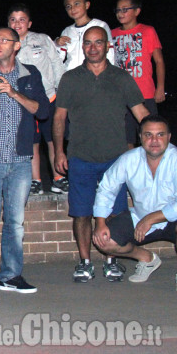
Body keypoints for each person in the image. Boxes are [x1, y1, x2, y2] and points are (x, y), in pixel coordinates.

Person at [53, 26, 149, 283]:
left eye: (98, 43)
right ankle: (84, 262)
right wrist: (59, 151)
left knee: (114, 213)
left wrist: (155, 146)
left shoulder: (121, 78)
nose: (93, 48)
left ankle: (111, 260)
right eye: (88, 43)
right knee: (82, 212)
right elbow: (59, 117)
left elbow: (142, 115)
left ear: (107, 46)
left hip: (115, 160)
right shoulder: (71, 78)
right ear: (82, 47)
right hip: (80, 157)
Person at [0, 27, 49, 305]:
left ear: (17, 46)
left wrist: (14, 92)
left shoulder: (30, 75)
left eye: (4, 40)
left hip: (20, 161)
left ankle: (11, 275)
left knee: (16, 223)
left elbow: (42, 111)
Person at [93, 115, 177, 283]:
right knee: (104, 241)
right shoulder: (129, 159)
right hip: (139, 216)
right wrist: (100, 222)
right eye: (148, 135)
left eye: (160, 135)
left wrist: (152, 218)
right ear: (140, 137)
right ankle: (147, 259)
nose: (154, 140)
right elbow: (106, 188)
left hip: (171, 219)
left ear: (169, 137)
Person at [7, 5, 67, 195]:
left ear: (29, 23)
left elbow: (56, 63)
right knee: (31, 141)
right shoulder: (5, 42)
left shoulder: (41, 39)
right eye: (13, 20)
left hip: (49, 97)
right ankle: (35, 180)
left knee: (53, 139)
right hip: (24, 102)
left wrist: (62, 89)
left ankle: (59, 178)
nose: (18, 23)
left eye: (22, 19)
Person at [111, 0, 165, 145]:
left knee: (149, 135)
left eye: (125, 9)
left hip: (145, 93)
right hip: (120, 95)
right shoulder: (112, 34)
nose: (120, 13)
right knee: (126, 138)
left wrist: (160, 87)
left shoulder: (148, 31)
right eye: (118, 10)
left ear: (137, 11)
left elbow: (159, 61)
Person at [55, 0, 115, 71]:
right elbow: (58, 59)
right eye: (69, 6)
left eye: (77, 4)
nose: (73, 9)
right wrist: (57, 44)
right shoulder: (67, 31)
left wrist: (108, 74)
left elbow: (110, 53)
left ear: (87, 5)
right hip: (72, 76)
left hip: (94, 74)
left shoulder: (100, 25)